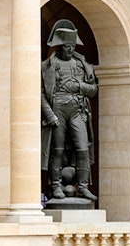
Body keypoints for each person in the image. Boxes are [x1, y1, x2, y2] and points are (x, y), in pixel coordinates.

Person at [41, 20, 98, 201]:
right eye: (67, 46)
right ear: (59, 47)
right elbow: (40, 93)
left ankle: (82, 186)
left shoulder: (82, 65)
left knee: (82, 149)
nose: (70, 49)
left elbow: (93, 89)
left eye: (72, 46)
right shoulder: (48, 66)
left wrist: (79, 85)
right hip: (57, 109)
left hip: (77, 110)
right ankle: (56, 185)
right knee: (56, 149)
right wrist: (49, 114)